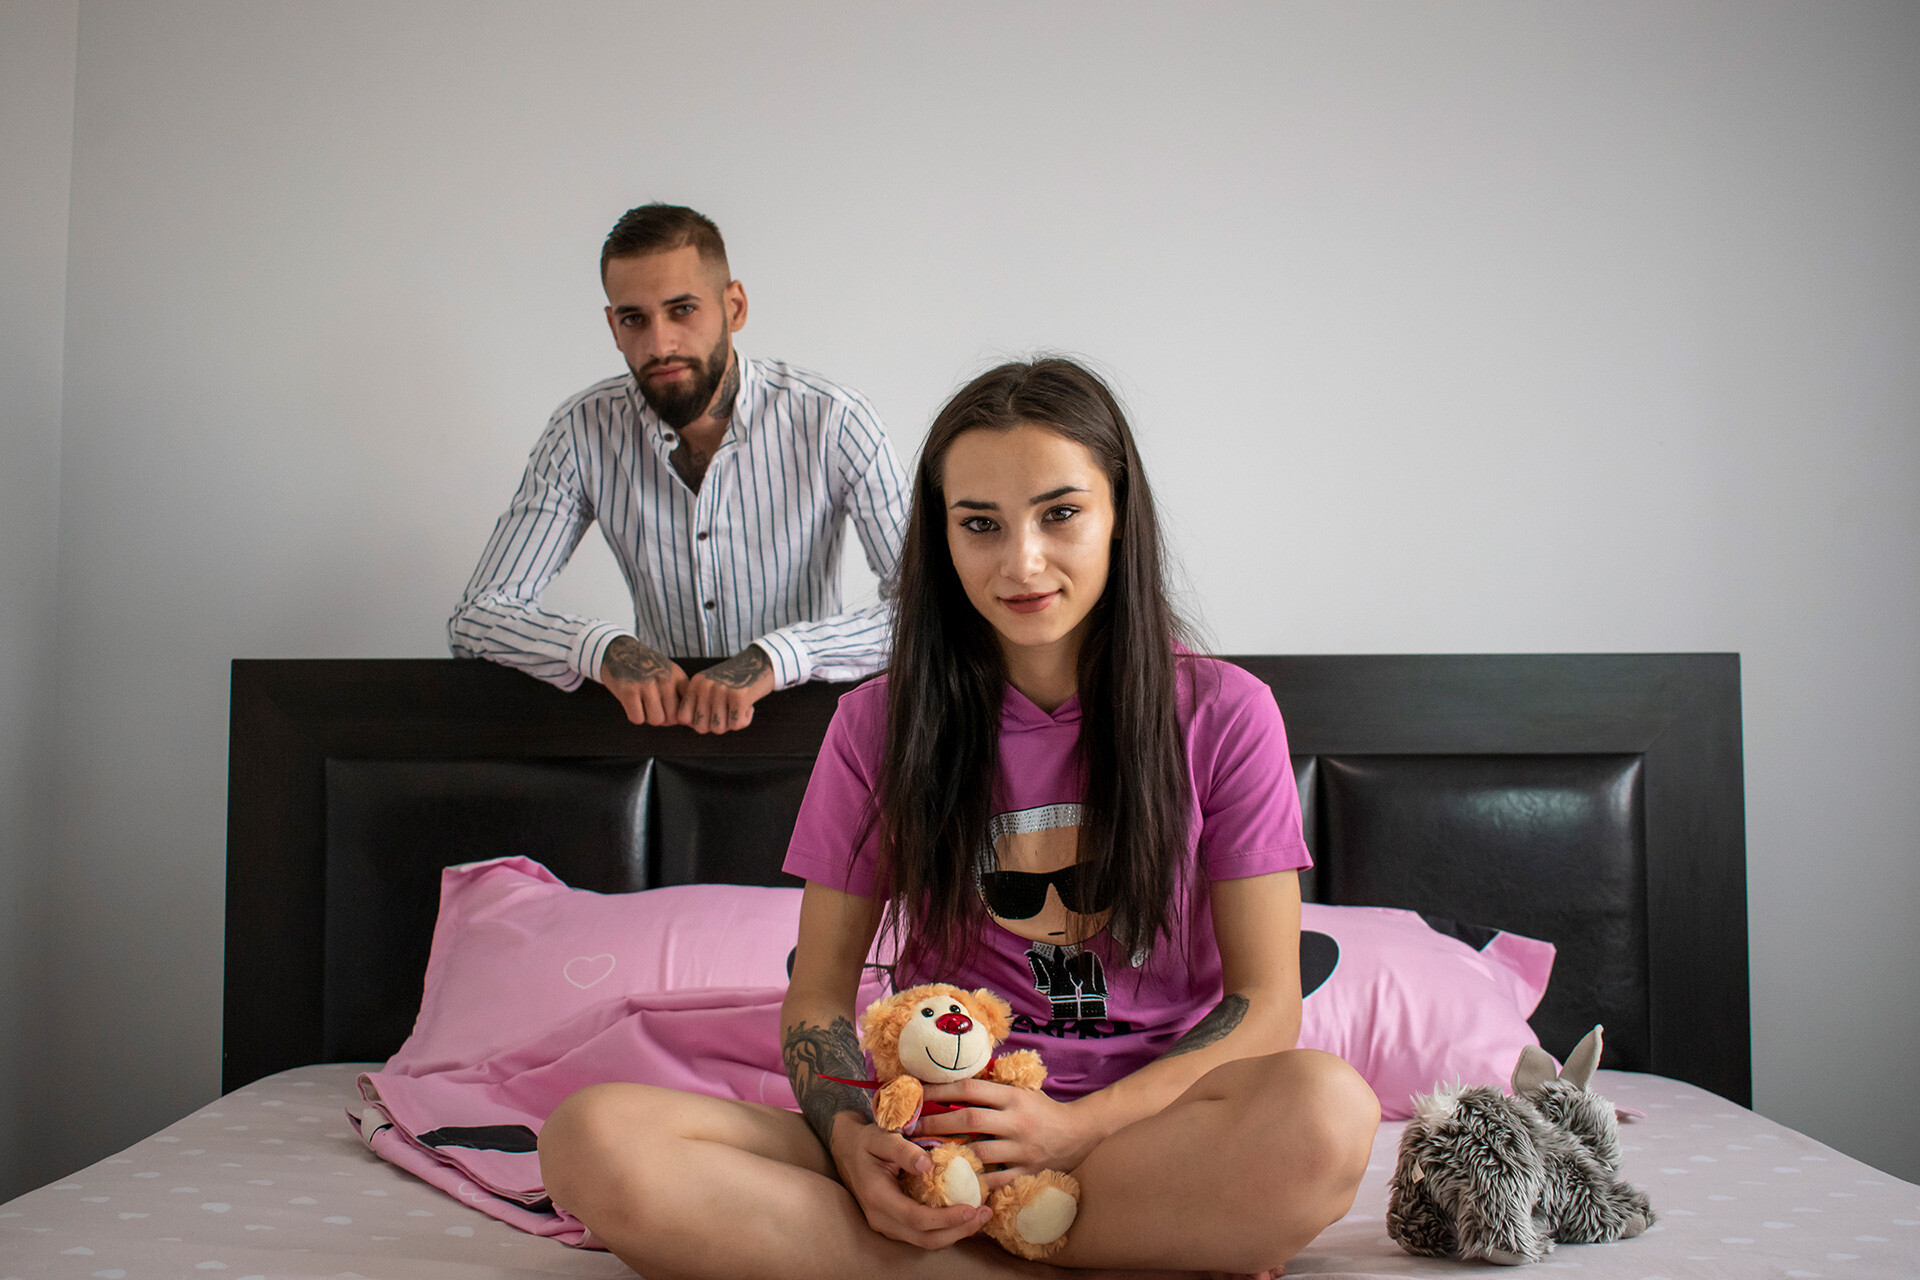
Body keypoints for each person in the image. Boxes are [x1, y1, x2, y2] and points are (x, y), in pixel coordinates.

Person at [538, 359, 1379, 1278]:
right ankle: (1072, 1246)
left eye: (1060, 514)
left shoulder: (1226, 713)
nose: (1022, 562)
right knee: (591, 1138)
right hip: (934, 1143)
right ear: (941, 539)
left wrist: (1074, 1129)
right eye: (980, 524)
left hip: (1145, 1136)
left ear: (1120, 515)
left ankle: (948, 1258)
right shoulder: (876, 725)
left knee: (1328, 1111)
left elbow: (1265, 1005)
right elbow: (818, 996)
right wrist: (851, 1141)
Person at [448, 203, 910, 734]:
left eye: (682, 309)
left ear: (734, 307)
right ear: (613, 327)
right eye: (634, 319)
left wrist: (775, 657)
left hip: (811, 734)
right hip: (661, 739)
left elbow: (930, 609)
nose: (660, 344)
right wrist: (603, 648)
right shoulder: (583, 430)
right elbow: (479, 616)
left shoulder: (834, 420)